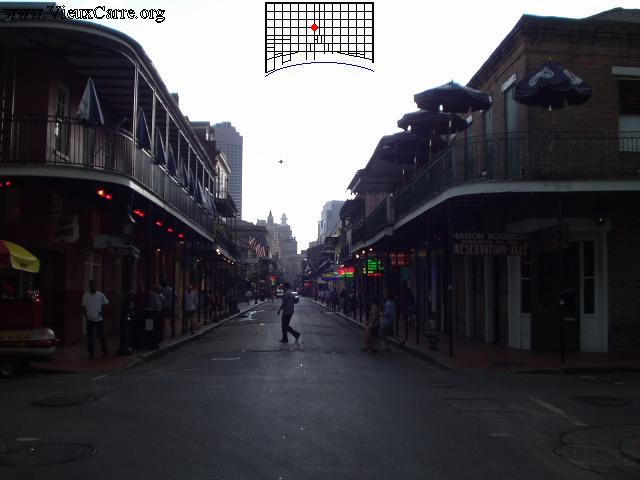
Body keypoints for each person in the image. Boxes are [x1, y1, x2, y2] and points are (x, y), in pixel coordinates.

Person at [81, 279, 109, 358]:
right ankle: (91, 352)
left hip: (99, 319)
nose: (92, 286)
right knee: (89, 337)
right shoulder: (85, 295)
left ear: (96, 286)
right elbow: (83, 306)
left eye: (94, 285)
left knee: (101, 336)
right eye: (91, 285)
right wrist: (86, 316)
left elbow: (106, 303)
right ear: (89, 286)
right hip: (89, 319)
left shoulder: (100, 295)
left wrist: (102, 312)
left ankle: (105, 351)